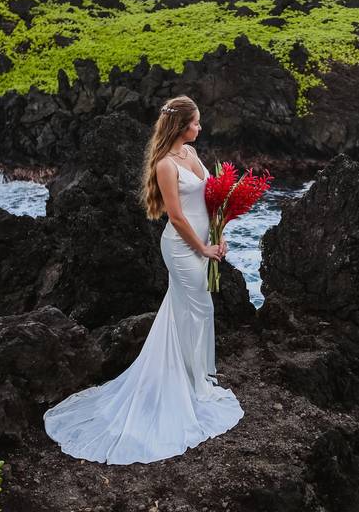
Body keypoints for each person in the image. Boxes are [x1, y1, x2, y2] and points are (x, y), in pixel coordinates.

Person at [42, 95, 244, 464]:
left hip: (204, 242)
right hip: (183, 248)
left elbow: (211, 200)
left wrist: (219, 234)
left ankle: (192, 377)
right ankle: (189, 385)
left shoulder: (193, 156)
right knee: (199, 308)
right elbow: (178, 218)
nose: (200, 128)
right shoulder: (166, 165)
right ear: (181, 126)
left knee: (190, 310)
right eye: (195, 123)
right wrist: (203, 248)